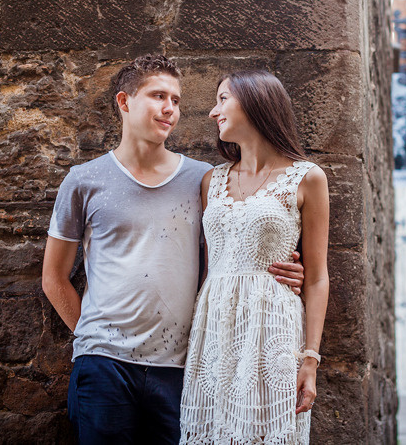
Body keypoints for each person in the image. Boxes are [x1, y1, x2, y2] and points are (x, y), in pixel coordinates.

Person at [41, 55, 304, 444]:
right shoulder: (84, 180)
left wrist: (281, 270)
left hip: (183, 366)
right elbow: (54, 277)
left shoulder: (205, 179)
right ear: (124, 102)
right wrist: (95, 337)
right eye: (158, 95)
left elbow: (236, 243)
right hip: (103, 365)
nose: (170, 109)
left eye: (177, 100)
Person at [179, 70, 330, 445]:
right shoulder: (210, 181)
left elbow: (315, 277)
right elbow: (207, 264)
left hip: (272, 326)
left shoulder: (308, 178)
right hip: (213, 325)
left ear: (256, 102)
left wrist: (310, 359)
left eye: (223, 99)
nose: (214, 112)